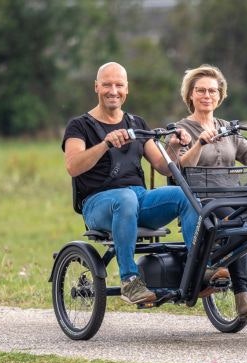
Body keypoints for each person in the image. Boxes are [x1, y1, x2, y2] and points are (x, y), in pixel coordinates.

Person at [62, 62, 199, 305]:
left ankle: (199, 270)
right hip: (98, 203)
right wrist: (105, 144)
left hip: (138, 199)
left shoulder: (136, 122)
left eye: (119, 85)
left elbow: (162, 164)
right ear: (96, 87)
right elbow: (73, 166)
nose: (113, 91)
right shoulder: (79, 125)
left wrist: (175, 146)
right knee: (124, 199)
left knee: (183, 195)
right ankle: (130, 281)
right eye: (107, 85)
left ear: (127, 89)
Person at [166, 64, 247, 318]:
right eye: (200, 90)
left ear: (220, 96)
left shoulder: (228, 128)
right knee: (241, 225)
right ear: (190, 95)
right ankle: (242, 296)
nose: (207, 95)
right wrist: (199, 142)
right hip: (203, 198)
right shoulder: (180, 129)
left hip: (235, 195)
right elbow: (178, 167)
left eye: (212, 91)